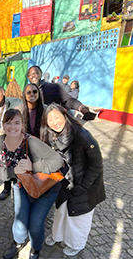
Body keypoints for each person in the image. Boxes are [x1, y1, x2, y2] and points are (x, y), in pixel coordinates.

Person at [0, 109, 63, 259]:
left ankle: (35, 249)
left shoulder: (31, 142)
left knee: (36, 224)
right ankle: (17, 243)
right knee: (20, 220)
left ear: (23, 125)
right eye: (8, 123)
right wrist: (13, 172)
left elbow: (58, 161)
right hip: (21, 185)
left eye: (17, 122)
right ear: (3, 125)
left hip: (46, 187)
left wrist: (33, 167)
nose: (12, 127)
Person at [40, 103, 105, 256]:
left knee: (78, 218)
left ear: (65, 115)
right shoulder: (51, 136)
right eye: (50, 120)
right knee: (61, 211)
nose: (55, 122)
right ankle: (57, 236)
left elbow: (96, 166)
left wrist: (82, 187)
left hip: (86, 185)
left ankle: (76, 244)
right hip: (65, 183)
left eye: (57, 117)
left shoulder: (83, 136)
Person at [0, 83, 23, 200]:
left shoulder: (16, 103)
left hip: (16, 140)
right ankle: (7, 187)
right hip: (1, 143)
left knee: (18, 163)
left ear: (3, 92)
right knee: (5, 165)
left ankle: (19, 187)